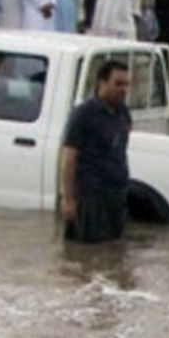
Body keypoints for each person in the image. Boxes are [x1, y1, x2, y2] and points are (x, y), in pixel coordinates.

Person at [61, 60, 133, 244]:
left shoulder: (123, 113)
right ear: (101, 82)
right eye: (118, 84)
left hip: (116, 197)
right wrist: (68, 199)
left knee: (111, 252)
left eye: (126, 84)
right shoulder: (83, 115)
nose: (123, 89)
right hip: (90, 199)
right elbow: (69, 159)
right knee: (86, 254)